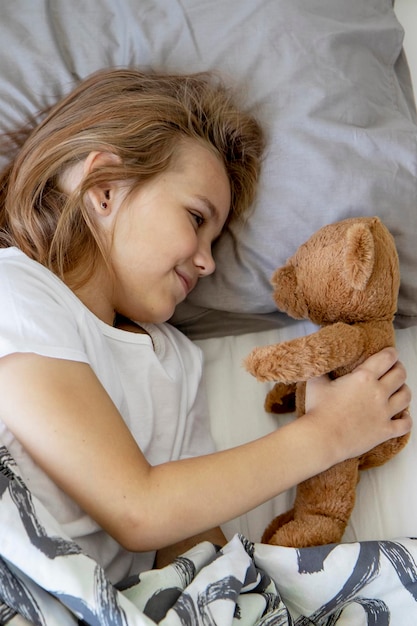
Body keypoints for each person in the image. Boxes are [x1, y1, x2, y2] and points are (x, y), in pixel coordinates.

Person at [0, 68, 411, 584]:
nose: (208, 263)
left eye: (215, 241)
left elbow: (189, 541)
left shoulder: (174, 359)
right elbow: (138, 509)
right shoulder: (16, 291)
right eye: (196, 219)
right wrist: (330, 434)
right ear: (103, 188)